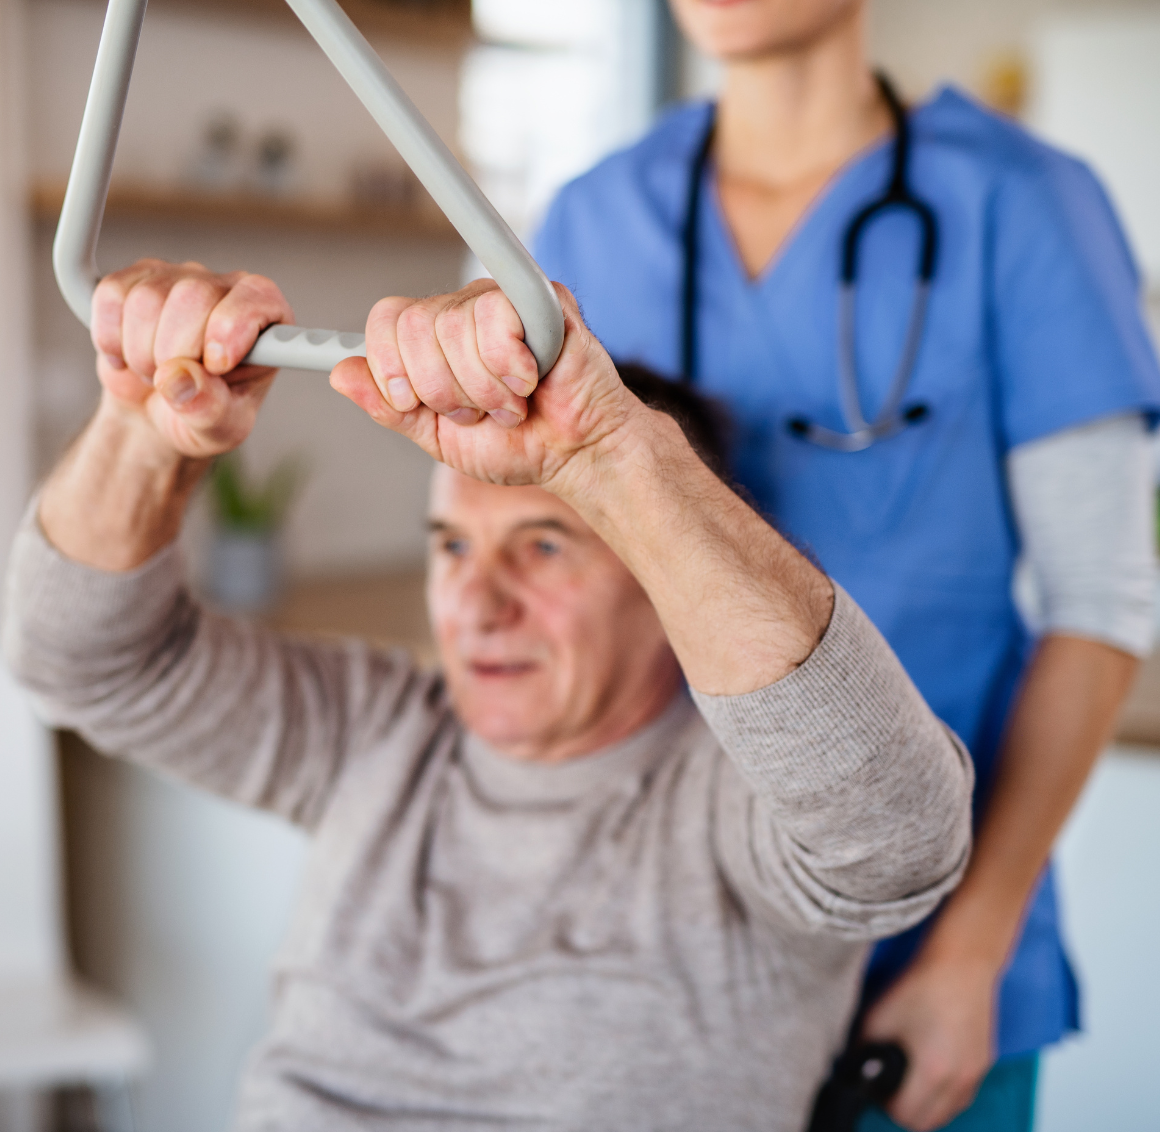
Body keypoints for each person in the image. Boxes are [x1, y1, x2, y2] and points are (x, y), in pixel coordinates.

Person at [4, 260, 973, 1131]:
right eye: (452, 546)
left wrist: (608, 454)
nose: (476, 602)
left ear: (664, 576)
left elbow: (900, 837)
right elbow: (75, 660)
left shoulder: (734, 808)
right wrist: (142, 428)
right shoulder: (381, 730)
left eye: (543, 545)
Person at [532, 2, 1160, 1130]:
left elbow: (1100, 605)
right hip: (656, 946)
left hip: (927, 961)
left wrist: (969, 954)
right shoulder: (591, 220)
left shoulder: (1024, 206)